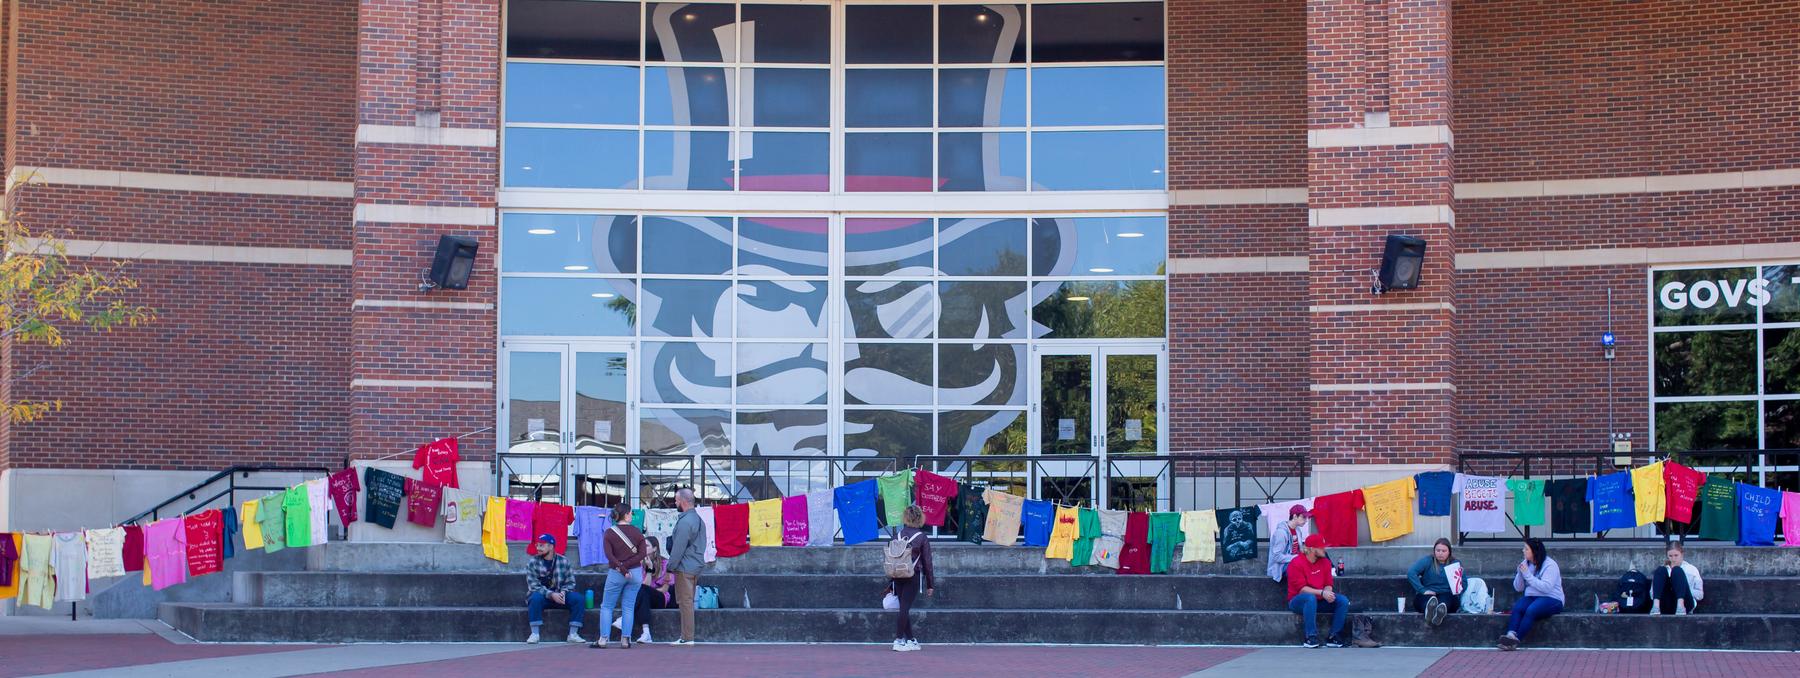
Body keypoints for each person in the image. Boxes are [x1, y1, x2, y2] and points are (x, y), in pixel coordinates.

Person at [591, 504, 647, 650]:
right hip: (635, 573)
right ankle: (626, 639)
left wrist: (622, 568)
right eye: (631, 513)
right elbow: (642, 553)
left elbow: (609, 555)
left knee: (607, 606)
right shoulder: (637, 532)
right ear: (627, 515)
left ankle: (603, 639)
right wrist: (627, 567)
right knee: (628, 607)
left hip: (616, 572)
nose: (632, 516)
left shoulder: (609, 533)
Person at [1285, 534, 1350, 648]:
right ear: (1311, 549)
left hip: (1319, 600)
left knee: (1342, 601)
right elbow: (1302, 589)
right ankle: (1310, 637)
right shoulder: (1296, 563)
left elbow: (1328, 583)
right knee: (1310, 598)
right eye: (1321, 547)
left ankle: (1333, 636)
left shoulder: (1325, 562)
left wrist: (1328, 593)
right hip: (1299, 601)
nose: (1324, 549)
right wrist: (1322, 593)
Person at [1500, 538, 1563, 650]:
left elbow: (1546, 588)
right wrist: (1520, 574)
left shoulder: (1550, 565)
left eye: (1526, 549)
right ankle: (1510, 635)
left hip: (1552, 599)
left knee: (1531, 610)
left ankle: (1515, 641)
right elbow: (1518, 588)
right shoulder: (1526, 563)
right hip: (1532, 597)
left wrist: (1528, 575)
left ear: (1534, 552)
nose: (1523, 551)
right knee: (1518, 607)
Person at [525, 533, 586, 644]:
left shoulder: (564, 561)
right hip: (544, 597)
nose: (538, 548)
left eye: (542, 545)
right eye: (537, 545)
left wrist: (563, 592)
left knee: (579, 599)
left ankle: (573, 634)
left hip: (560, 596)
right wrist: (552, 595)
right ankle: (534, 634)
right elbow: (533, 585)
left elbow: (570, 582)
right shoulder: (533, 562)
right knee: (534, 598)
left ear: (551, 546)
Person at [664, 487, 707, 646]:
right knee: (687, 601)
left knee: (685, 602)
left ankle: (687, 637)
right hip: (695, 564)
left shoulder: (685, 521)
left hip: (684, 566)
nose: (675, 503)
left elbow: (678, 548)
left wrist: (670, 568)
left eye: (676, 500)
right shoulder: (698, 519)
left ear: (682, 501)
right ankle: (687, 636)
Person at [890, 504, 936, 652]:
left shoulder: (897, 535)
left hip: (897, 575)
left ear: (905, 518)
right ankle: (898, 640)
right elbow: (927, 562)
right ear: (920, 518)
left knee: (904, 608)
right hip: (912, 575)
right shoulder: (921, 537)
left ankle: (911, 640)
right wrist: (930, 584)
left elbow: (891, 558)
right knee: (904, 608)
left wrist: (890, 581)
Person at [613, 536, 674, 643]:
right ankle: (646, 632)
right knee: (643, 595)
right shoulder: (640, 564)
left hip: (662, 598)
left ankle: (624, 618)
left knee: (642, 591)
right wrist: (649, 570)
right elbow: (644, 586)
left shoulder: (666, 564)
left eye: (646, 546)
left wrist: (650, 591)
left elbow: (664, 589)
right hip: (645, 597)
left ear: (655, 548)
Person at [1407, 538, 1462, 626]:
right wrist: (1422, 590)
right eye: (1438, 550)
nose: (1440, 553)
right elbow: (1411, 572)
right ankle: (1429, 610)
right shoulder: (1428, 560)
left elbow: (1464, 582)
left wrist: (1458, 590)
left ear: (1449, 552)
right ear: (1434, 551)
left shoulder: (1455, 563)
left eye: (1444, 551)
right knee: (1428, 600)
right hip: (1428, 593)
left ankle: (1440, 612)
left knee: (1445, 601)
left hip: (1447, 594)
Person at [1650, 541, 1704, 615]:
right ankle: (1656, 607)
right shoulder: (1663, 570)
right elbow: (1652, 593)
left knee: (1677, 571)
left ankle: (1680, 606)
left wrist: (1682, 589)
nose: (1673, 559)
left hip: (1686, 603)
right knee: (1660, 569)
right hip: (1666, 602)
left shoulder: (1691, 569)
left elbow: (1700, 594)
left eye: (1676, 555)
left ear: (1682, 554)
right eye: (1670, 556)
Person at [1267, 505, 1308, 582]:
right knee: (1303, 568)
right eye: (1304, 517)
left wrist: (1308, 552)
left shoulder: (1298, 530)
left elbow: (1298, 550)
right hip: (1280, 568)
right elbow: (1276, 557)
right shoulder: (1281, 533)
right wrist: (1297, 558)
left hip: (1293, 562)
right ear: (1295, 516)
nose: (1306, 520)